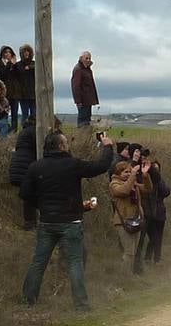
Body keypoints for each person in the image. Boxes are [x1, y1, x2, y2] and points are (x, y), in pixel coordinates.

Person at [20, 130, 115, 309]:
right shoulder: (73, 164)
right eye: (66, 142)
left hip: (47, 222)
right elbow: (101, 166)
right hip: (70, 222)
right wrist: (108, 146)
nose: (68, 145)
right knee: (75, 263)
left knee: (39, 262)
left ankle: (28, 301)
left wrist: (41, 207)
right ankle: (81, 305)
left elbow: (25, 194)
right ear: (61, 146)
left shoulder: (35, 167)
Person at [109, 158, 152, 275]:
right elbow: (124, 191)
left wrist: (145, 175)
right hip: (123, 222)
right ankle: (124, 278)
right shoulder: (114, 184)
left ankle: (128, 276)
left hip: (136, 220)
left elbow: (148, 189)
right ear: (118, 173)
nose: (128, 174)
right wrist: (133, 175)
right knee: (128, 252)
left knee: (133, 252)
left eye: (129, 171)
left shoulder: (133, 183)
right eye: (125, 172)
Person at [142, 158, 171, 264]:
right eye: (153, 169)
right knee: (153, 237)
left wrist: (158, 181)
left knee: (159, 237)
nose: (155, 171)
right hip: (148, 213)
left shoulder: (159, 181)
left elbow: (166, 192)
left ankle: (157, 259)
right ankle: (148, 258)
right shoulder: (145, 180)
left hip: (159, 213)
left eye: (157, 169)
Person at [71, 51, 98, 127]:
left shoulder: (88, 70)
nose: (88, 60)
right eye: (86, 58)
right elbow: (75, 86)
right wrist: (78, 101)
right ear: (81, 58)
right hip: (82, 100)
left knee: (87, 120)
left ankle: (86, 137)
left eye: (89, 58)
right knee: (82, 121)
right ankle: (82, 137)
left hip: (88, 100)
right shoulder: (78, 69)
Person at [15, 44, 37, 129]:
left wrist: (30, 67)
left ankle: (33, 131)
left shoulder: (34, 64)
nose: (26, 53)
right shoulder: (18, 65)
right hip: (23, 94)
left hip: (33, 94)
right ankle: (25, 131)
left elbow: (38, 69)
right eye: (24, 51)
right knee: (25, 114)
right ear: (22, 53)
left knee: (34, 114)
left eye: (28, 51)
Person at [0, 45, 20, 131]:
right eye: (6, 52)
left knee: (14, 114)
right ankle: (4, 131)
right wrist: (9, 64)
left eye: (9, 52)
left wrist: (14, 65)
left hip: (15, 93)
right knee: (4, 114)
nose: (8, 54)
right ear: (2, 54)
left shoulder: (15, 64)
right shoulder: (0, 64)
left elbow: (19, 75)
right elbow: (2, 75)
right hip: (4, 94)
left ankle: (14, 132)